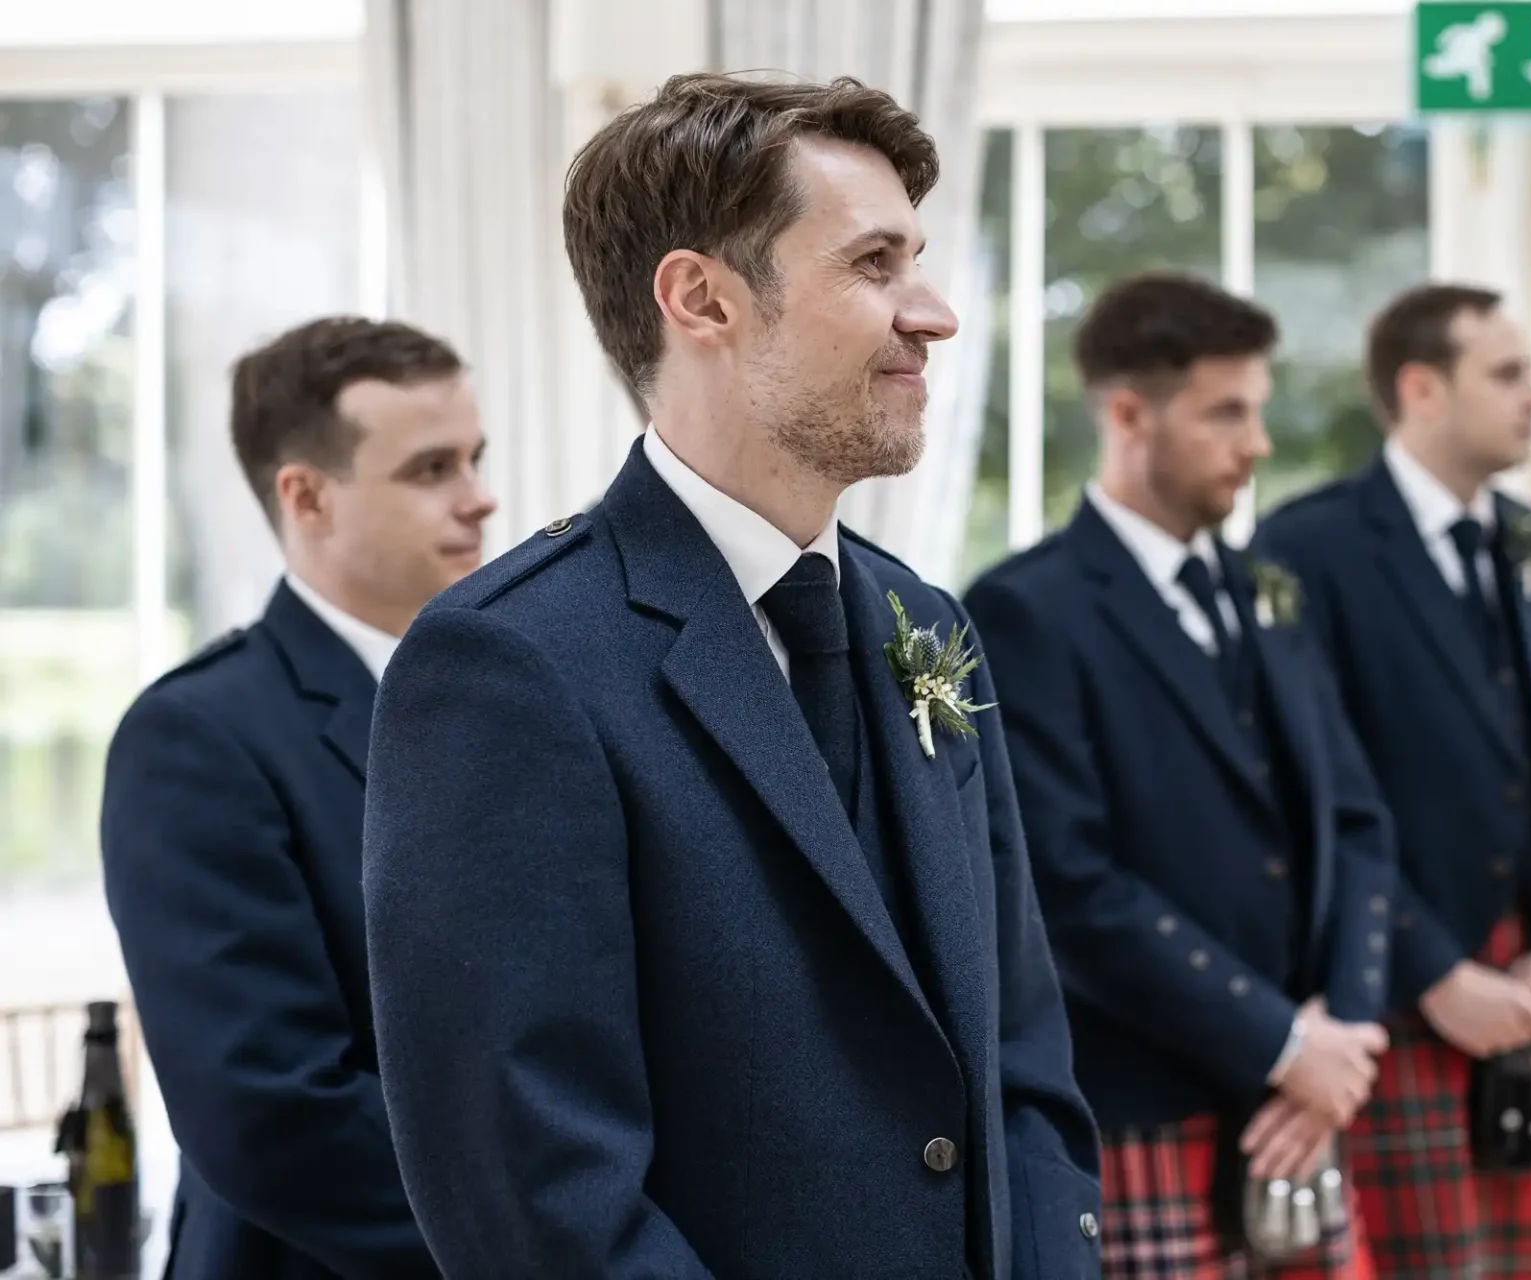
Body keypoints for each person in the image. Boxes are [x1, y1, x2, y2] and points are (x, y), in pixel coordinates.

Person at [359, 72, 1103, 1280]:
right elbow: (540, 1197)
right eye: (875, 265)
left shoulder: (929, 621)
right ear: (702, 297)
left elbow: (1022, 1055)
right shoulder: (509, 665)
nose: (935, 313)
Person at [963, 272, 1395, 1280]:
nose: (1259, 443)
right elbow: (1065, 886)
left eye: (1259, 409)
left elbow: (1359, 820)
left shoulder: (1264, 593)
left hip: (1306, 1099)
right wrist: (1283, 1045)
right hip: (1147, 1104)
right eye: (1227, 413)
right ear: (1127, 414)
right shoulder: (1028, 609)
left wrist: (1342, 1035)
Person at [1250, 283, 1531, 1279]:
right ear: (1422, 388)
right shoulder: (1304, 550)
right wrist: (1433, 973)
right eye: (1506, 373)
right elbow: (1303, 793)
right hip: (1393, 993)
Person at [100, 316, 496, 1280]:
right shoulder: (198, 738)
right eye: (431, 469)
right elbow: (271, 1113)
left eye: (476, 459)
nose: (480, 500)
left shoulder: (511, 699)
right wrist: (544, 1237)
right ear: (307, 496)